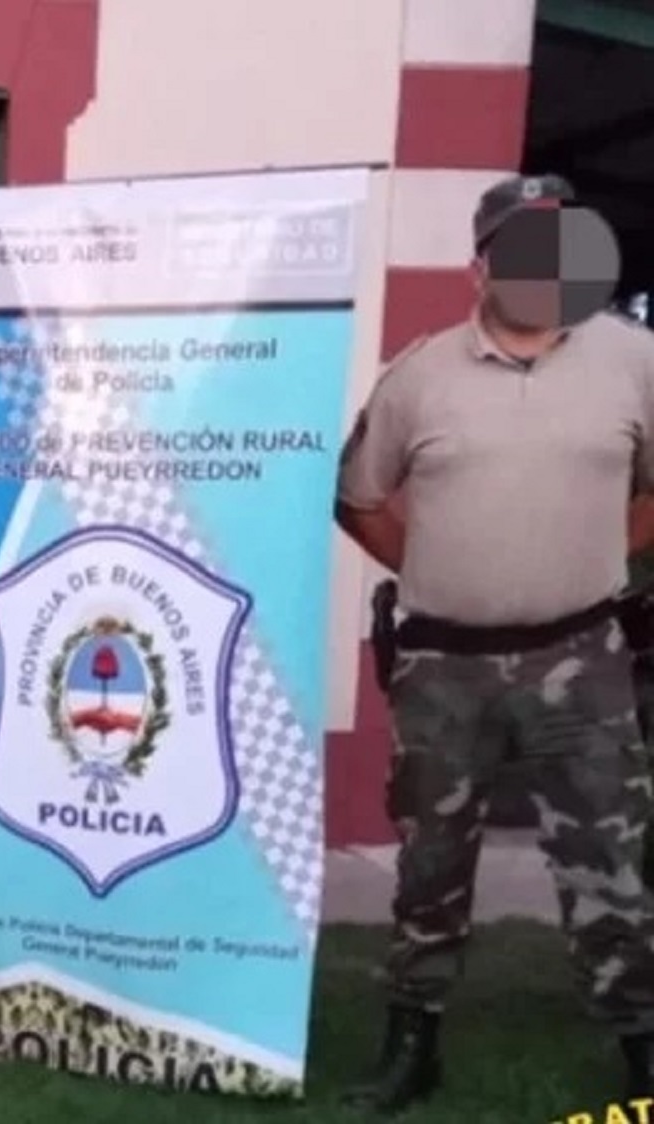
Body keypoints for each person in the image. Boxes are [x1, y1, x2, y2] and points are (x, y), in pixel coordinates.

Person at [337, 175, 654, 1112]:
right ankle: (413, 1044)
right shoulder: (419, 375)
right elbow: (356, 500)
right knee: (430, 862)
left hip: (582, 663)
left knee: (612, 861)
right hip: (446, 669)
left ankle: (642, 1048)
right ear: (479, 264)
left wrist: (600, 554)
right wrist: (437, 564)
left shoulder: (634, 361)